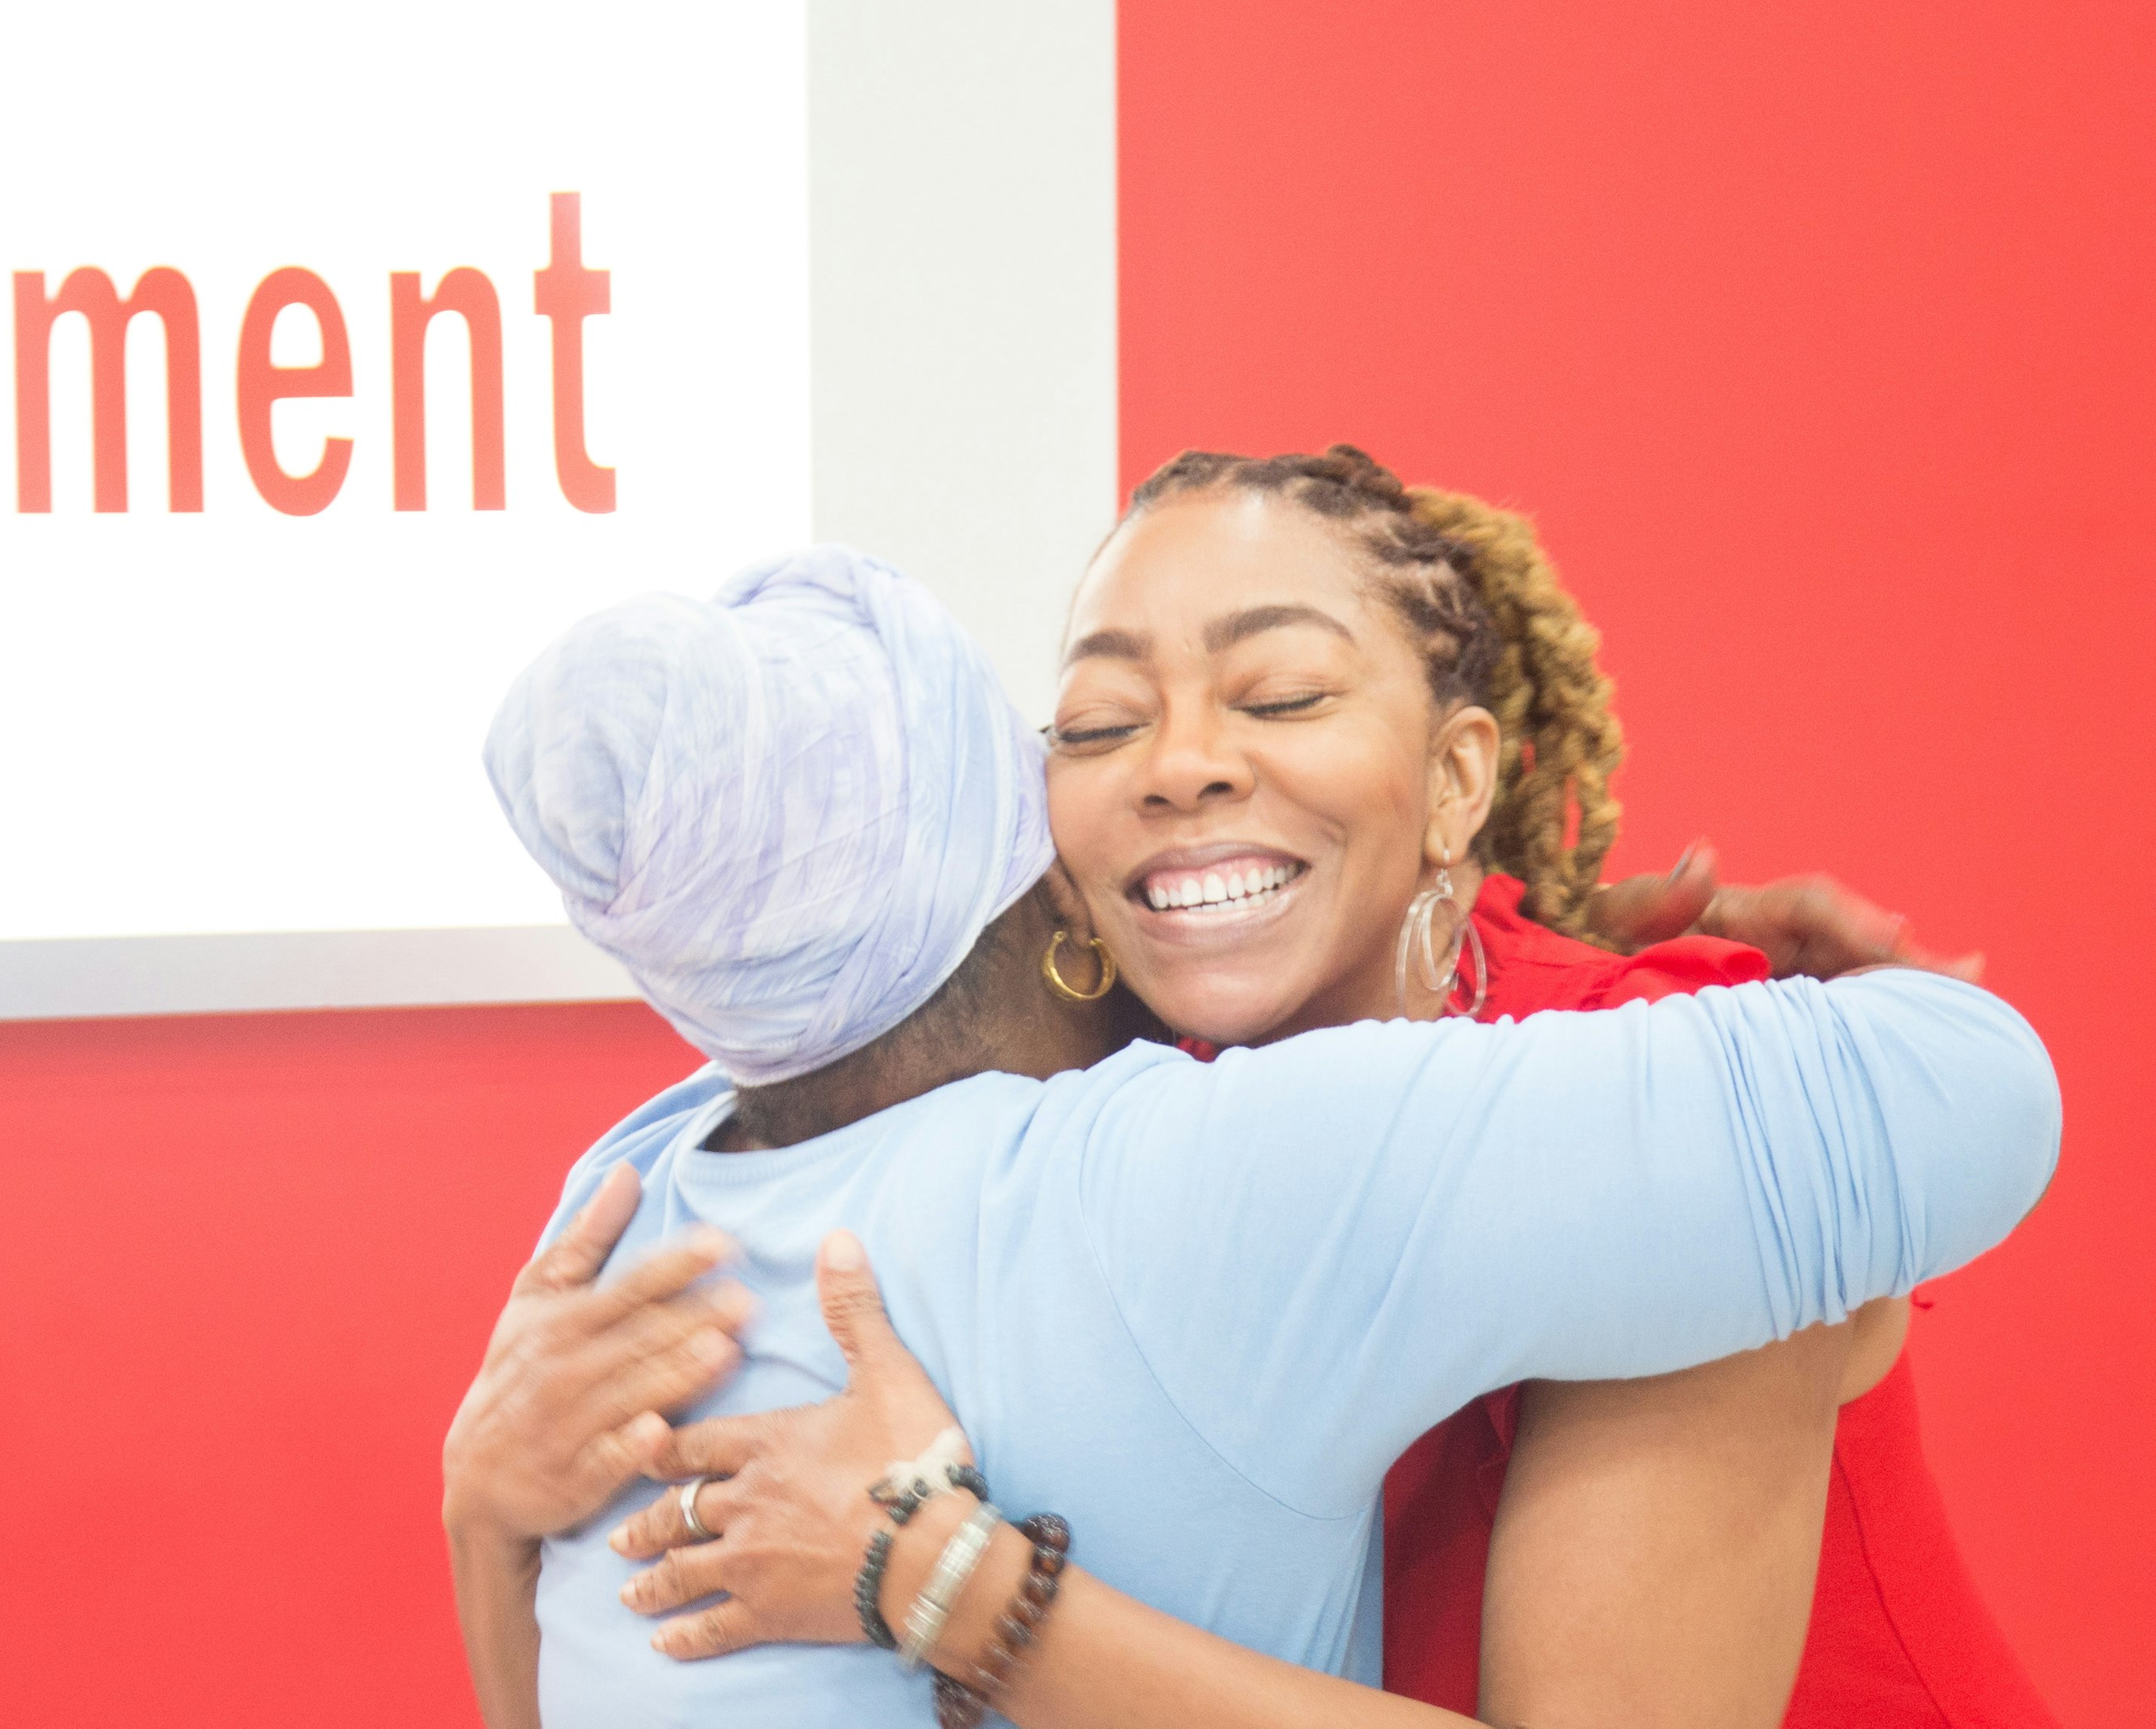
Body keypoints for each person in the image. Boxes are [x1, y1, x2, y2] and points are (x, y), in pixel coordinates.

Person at [441, 537, 2058, 1729]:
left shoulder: (637, 1196)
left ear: (1457, 775)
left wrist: (485, 1522)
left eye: (1279, 693)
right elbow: (1957, 1082)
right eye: (1090, 725)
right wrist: (942, 1589)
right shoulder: (1193, 1170)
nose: (1184, 769)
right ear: (1035, 869)